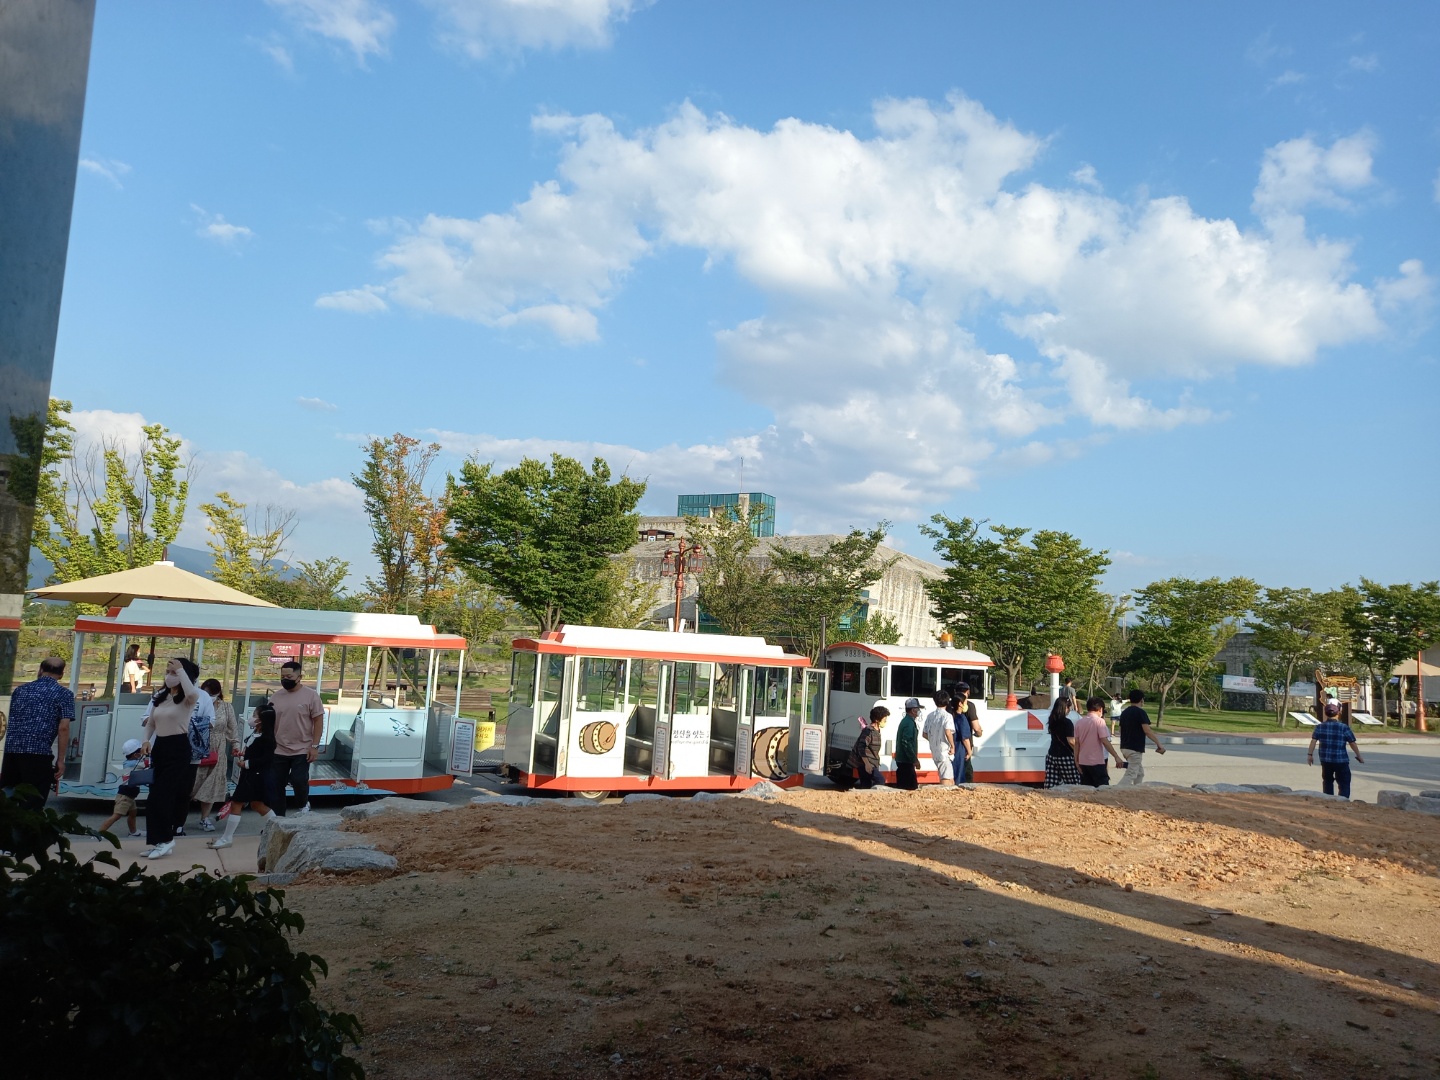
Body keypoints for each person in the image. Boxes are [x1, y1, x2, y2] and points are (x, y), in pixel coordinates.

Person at [139, 658, 201, 859]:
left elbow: (192, 693)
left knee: (163, 795)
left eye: (173, 672)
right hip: (160, 747)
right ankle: (158, 841)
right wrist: (145, 741)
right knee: (153, 797)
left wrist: (181, 670)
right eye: (167, 671)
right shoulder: (161, 696)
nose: (169, 676)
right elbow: (151, 722)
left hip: (178, 747)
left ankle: (167, 839)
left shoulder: (188, 698)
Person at [0, 657, 76, 809]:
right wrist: (61, 760)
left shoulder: (20, 690)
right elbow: (63, 727)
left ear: (40, 670)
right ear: (61, 674)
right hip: (38, 753)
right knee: (33, 802)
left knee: (7, 800)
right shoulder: (65, 694)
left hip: (11, 751)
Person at [208, 700, 279, 849]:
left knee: (236, 803)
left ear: (261, 720)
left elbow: (266, 759)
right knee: (257, 804)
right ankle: (278, 828)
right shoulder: (256, 734)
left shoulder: (267, 739)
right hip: (249, 775)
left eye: (254, 715)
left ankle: (227, 838)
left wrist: (247, 763)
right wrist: (242, 755)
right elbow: (254, 752)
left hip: (255, 777)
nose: (252, 718)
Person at [267, 660, 325, 816]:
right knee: (276, 784)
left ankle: (303, 804)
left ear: (300, 677)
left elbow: (318, 721)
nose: (285, 679)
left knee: (298, 780)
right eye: (283, 676)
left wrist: (314, 746)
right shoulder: (276, 697)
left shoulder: (311, 696)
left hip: (302, 749)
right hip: (279, 748)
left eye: (289, 677)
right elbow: (268, 721)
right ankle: (278, 818)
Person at [192, 679, 238, 831]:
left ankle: (204, 818)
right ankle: (177, 820)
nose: (209, 697)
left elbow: (232, 728)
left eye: (212, 694)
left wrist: (235, 745)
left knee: (212, 783)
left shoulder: (226, 707)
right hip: (198, 747)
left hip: (218, 748)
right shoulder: (197, 705)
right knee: (193, 781)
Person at [1308, 701, 1364, 799]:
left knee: (1327, 781)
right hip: (1340, 760)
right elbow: (1352, 742)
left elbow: (1313, 741)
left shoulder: (1320, 727)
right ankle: (1342, 800)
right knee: (1344, 783)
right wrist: (1358, 755)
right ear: (1338, 713)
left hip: (1325, 760)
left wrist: (1310, 755)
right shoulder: (1343, 727)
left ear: (1326, 713)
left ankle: (1328, 800)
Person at [96, 739, 146, 838]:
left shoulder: (132, 762)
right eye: (141, 750)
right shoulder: (132, 764)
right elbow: (146, 764)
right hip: (125, 796)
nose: (143, 752)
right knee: (116, 816)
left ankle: (133, 832)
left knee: (133, 813)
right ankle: (98, 834)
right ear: (135, 754)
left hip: (130, 796)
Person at [1116, 689, 1166, 785]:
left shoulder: (1124, 712)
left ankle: (1136, 789)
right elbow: (1147, 731)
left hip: (1125, 747)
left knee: (1140, 773)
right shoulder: (1140, 712)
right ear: (1142, 700)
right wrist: (1159, 744)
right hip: (1134, 749)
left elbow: (1121, 730)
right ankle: (1117, 790)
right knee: (1131, 774)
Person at [1073, 695, 1124, 788]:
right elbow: (1104, 741)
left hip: (1083, 761)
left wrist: (1076, 760)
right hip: (1097, 761)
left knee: (1087, 788)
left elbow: (1077, 743)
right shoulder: (1099, 721)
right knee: (1103, 788)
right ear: (1100, 709)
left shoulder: (1079, 722)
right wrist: (1116, 756)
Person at [1044, 698, 1082, 787]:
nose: (1069, 710)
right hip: (1065, 756)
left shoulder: (1052, 720)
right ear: (1065, 708)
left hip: (1051, 755)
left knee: (1051, 782)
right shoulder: (1067, 723)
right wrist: (1079, 752)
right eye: (1069, 707)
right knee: (1073, 782)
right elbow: (1071, 741)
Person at [850, 706, 888, 788]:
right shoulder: (868, 731)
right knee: (880, 780)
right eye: (884, 719)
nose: (885, 721)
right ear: (877, 720)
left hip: (871, 763)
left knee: (866, 785)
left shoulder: (876, 731)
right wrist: (867, 764)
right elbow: (861, 748)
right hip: (866, 764)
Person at [922, 691, 955, 783]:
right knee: (946, 778)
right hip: (944, 751)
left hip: (935, 750)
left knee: (950, 778)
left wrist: (934, 739)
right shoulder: (947, 716)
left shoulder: (930, 716)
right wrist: (952, 746)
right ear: (947, 701)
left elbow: (924, 734)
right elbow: (948, 732)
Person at [950, 687, 976, 784]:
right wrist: (969, 751)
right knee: (961, 775)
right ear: (960, 704)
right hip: (960, 750)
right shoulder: (961, 718)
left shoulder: (951, 716)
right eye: (965, 702)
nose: (966, 705)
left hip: (952, 748)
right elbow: (965, 738)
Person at [894, 698, 922, 790]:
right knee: (910, 788)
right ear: (913, 710)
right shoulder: (909, 723)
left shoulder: (906, 721)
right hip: (906, 762)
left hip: (904, 761)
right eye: (918, 709)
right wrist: (914, 759)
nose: (919, 711)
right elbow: (906, 743)